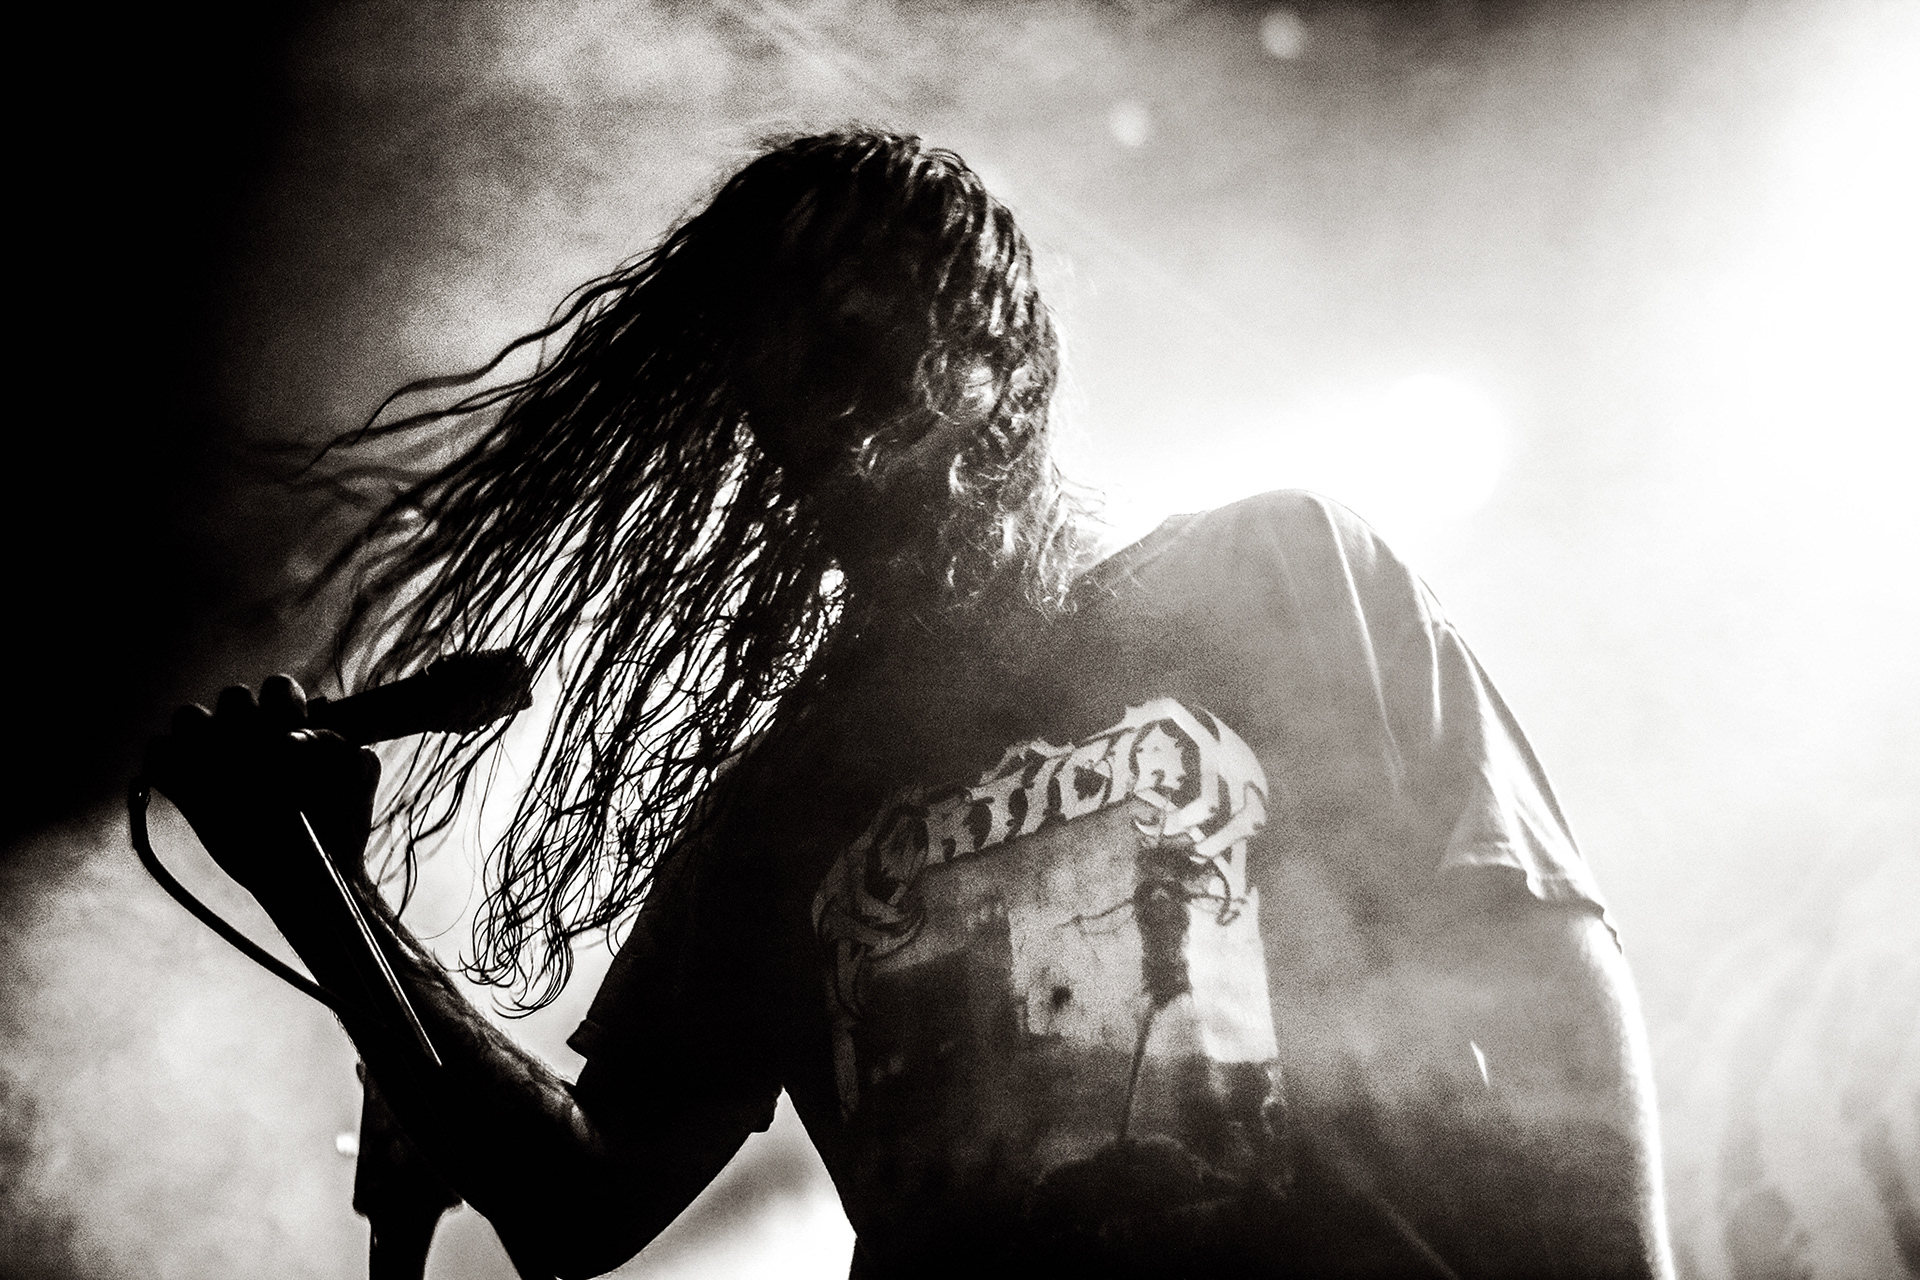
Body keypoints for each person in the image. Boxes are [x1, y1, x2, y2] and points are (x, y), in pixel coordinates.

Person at [143, 131, 1675, 1279]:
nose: (841, 433)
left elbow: (1528, 951)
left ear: (999, 357)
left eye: (867, 360)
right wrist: (313, 882)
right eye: (789, 396)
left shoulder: (1268, 568)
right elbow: (577, 1208)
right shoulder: (780, 801)